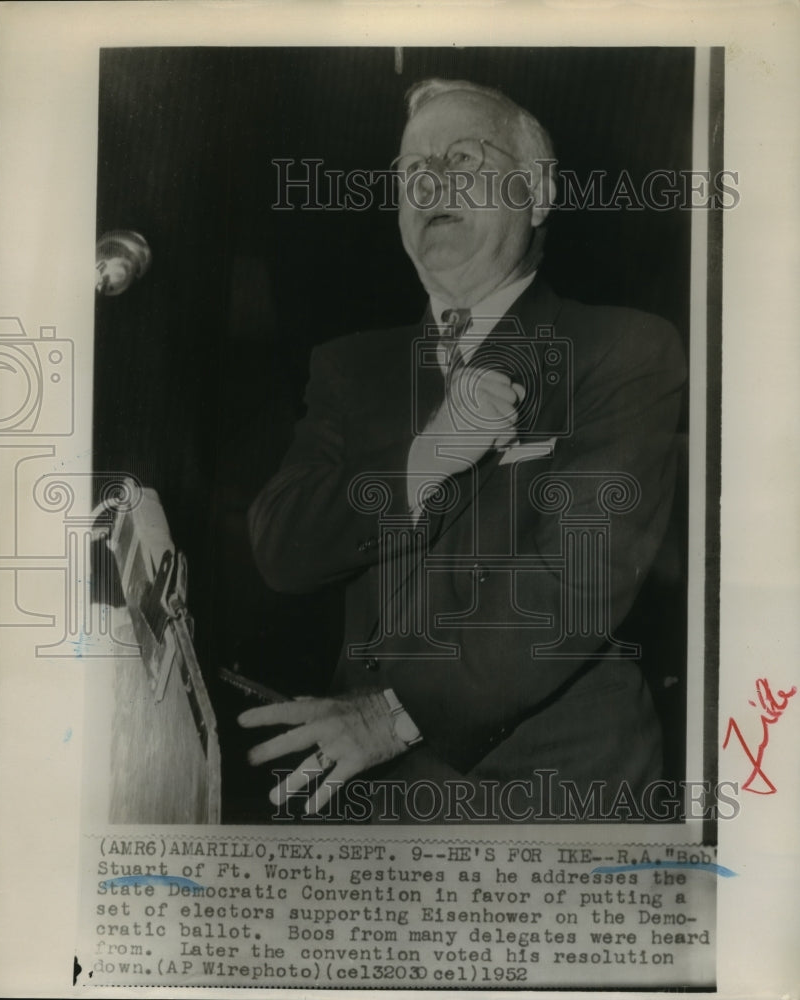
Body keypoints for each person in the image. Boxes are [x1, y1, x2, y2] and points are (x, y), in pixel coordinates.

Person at [241, 78, 686, 821]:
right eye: (414, 171)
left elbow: (573, 583)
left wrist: (392, 713)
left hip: (556, 801)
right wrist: (424, 460)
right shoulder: (351, 367)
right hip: (370, 807)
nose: (432, 185)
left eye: (466, 161)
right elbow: (282, 548)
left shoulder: (621, 349)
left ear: (539, 194)